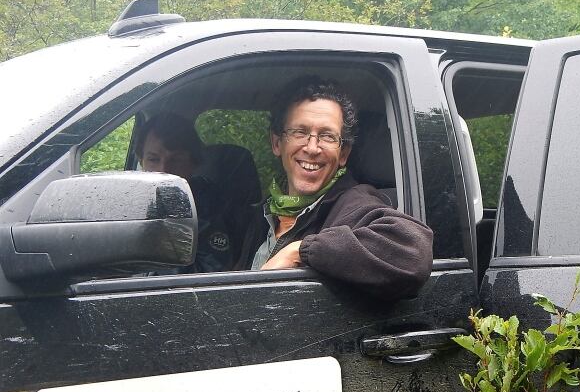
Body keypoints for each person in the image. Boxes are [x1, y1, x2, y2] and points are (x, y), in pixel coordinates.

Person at [248, 77, 433, 300]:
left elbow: (413, 254)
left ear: (343, 153)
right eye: (300, 132)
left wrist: (300, 251)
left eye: (327, 136)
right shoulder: (264, 213)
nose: (312, 147)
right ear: (277, 143)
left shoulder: (354, 204)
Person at [135, 113, 234, 273]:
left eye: (175, 160)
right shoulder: (129, 205)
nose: (163, 171)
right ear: (141, 162)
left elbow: (209, 279)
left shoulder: (210, 211)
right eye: (153, 160)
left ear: (193, 164)